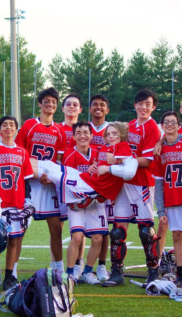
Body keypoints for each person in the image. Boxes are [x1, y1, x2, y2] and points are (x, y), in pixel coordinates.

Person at [102, 89, 162, 287]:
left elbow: (146, 161)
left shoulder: (152, 128)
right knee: (118, 230)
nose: (143, 107)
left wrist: (119, 160)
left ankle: (153, 271)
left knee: (146, 230)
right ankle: (117, 272)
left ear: (153, 107)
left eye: (148, 104)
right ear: (135, 105)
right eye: (140, 103)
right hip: (123, 183)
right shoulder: (128, 126)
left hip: (141, 184)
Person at [0, 115, 34, 294]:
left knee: (15, 241)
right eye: (5, 125)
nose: (8, 127)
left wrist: (28, 200)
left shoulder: (22, 152)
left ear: (16, 129)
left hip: (17, 204)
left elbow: (26, 181)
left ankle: (9, 277)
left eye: (12, 125)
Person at [15, 87, 67, 271]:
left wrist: (52, 178)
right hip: (30, 183)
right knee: (20, 231)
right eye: (47, 101)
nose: (50, 104)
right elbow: (20, 154)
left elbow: (59, 161)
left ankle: (58, 270)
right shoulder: (29, 125)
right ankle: (10, 270)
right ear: (40, 104)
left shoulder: (59, 131)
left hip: (48, 185)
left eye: (54, 102)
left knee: (56, 230)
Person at [152, 111, 182, 284]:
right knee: (177, 235)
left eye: (173, 122)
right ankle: (181, 273)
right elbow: (158, 183)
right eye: (167, 122)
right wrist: (160, 209)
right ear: (162, 126)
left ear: (179, 126)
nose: (170, 124)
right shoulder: (160, 149)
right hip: (171, 200)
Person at [63, 122, 113, 285]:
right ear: (73, 136)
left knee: (98, 238)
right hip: (77, 202)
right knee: (77, 237)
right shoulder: (70, 155)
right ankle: (69, 273)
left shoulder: (99, 154)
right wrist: (86, 175)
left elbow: (106, 176)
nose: (82, 135)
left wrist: (100, 193)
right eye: (79, 132)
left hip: (95, 202)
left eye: (86, 132)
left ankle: (88, 271)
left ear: (92, 136)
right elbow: (68, 181)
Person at [58, 94, 86, 278]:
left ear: (80, 109)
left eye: (75, 104)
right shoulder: (58, 129)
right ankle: (59, 264)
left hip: (82, 185)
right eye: (68, 104)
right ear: (63, 108)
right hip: (61, 181)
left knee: (80, 227)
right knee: (59, 224)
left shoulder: (85, 128)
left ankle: (79, 262)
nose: (72, 107)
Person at [88, 94, 111, 282]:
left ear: (107, 110)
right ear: (89, 109)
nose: (98, 107)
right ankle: (81, 263)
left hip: (107, 183)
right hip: (87, 182)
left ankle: (102, 265)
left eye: (102, 105)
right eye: (95, 105)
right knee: (79, 230)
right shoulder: (84, 129)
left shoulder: (112, 130)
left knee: (106, 229)